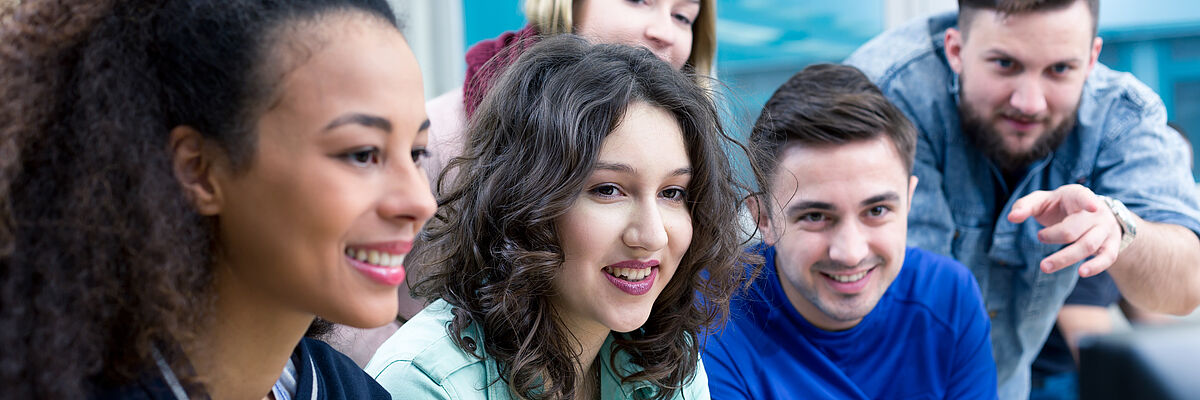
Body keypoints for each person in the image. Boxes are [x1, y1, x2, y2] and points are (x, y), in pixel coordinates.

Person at [0, 0, 436, 398]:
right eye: (362, 154)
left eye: (416, 153)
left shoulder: (352, 391)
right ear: (199, 169)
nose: (420, 202)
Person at [327, 0, 719, 366]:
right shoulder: (439, 138)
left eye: (683, 16)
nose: (664, 31)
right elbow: (339, 300)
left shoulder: (670, 366)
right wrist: (425, 366)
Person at [365, 35, 755, 399]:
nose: (651, 235)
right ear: (523, 200)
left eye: (673, 193)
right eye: (608, 190)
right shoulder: (425, 381)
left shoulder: (665, 356)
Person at [844, 0, 1200, 397]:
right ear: (956, 50)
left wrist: (1119, 226)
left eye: (1060, 69)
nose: (1029, 102)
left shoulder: (1122, 115)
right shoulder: (883, 93)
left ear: (1092, 58)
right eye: (1005, 64)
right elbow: (914, 312)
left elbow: (1185, 286)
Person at [702, 63, 997, 400]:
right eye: (815, 216)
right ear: (764, 220)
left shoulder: (948, 297)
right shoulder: (712, 319)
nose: (851, 253)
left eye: (877, 211)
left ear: (909, 201)